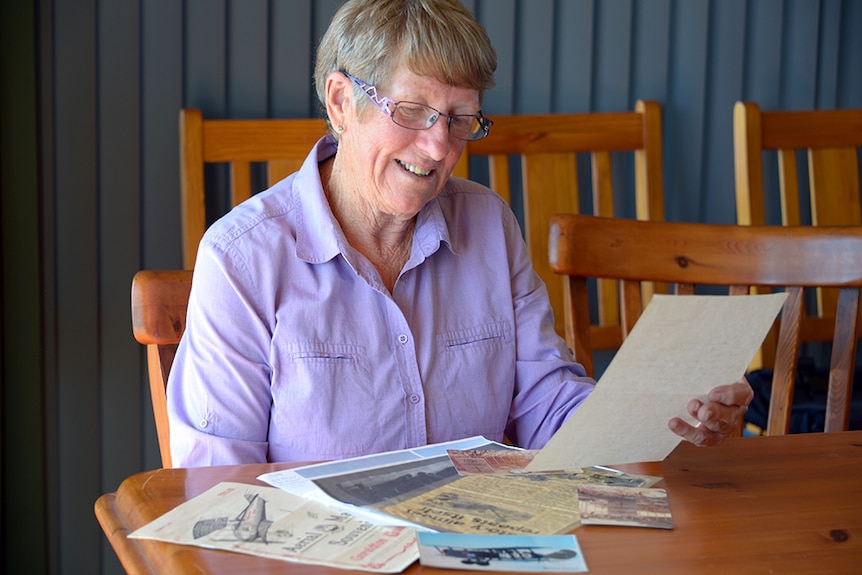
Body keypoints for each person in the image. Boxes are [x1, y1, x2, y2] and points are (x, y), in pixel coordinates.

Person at [167, 0, 752, 467]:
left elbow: (545, 403)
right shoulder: (241, 259)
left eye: (460, 119)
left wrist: (669, 414)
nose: (439, 145)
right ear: (342, 102)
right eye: (413, 110)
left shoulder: (489, 225)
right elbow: (222, 485)